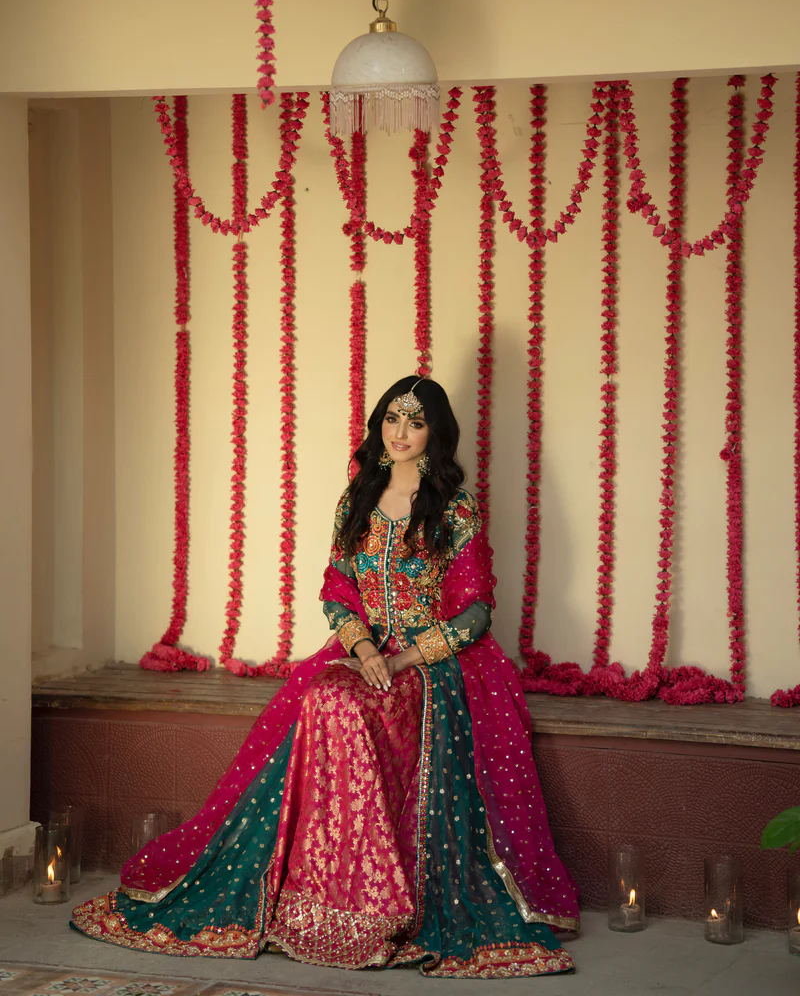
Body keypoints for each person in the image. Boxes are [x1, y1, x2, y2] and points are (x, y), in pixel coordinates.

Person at [72, 376, 579, 978]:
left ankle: (378, 900)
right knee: (323, 697)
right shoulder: (357, 500)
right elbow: (337, 594)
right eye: (391, 419)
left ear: (436, 434)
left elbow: (475, 615)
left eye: (415, 423)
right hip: (363, 652)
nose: (400, 433)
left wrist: (398, 659)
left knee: (353, 707)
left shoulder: (454, 509)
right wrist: (364, 648)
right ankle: (324, 895)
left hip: (434, 664)